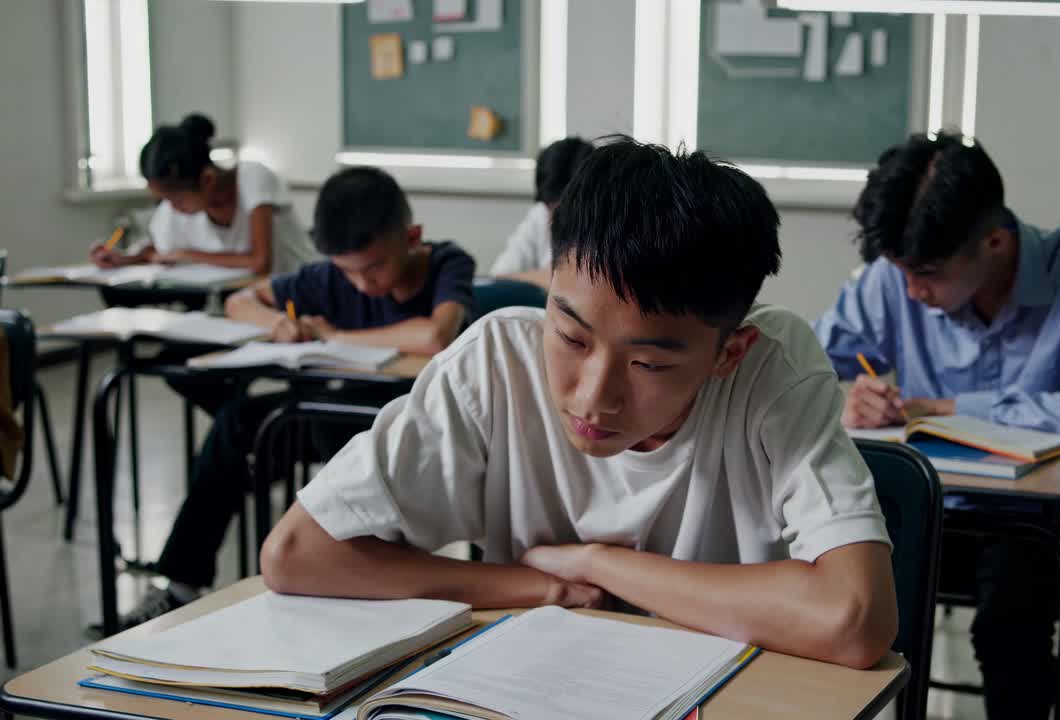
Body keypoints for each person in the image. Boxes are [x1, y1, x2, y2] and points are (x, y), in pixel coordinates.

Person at [259, 137, 898, 670]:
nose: (593, 397)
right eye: (570, 337)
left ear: (727, 353)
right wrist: (540, 587)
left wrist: (600, 563)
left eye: (648, 364)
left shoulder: (772, 372)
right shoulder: (497, 363)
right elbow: (296, 554)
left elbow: (853, 620)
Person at [813, 131, 1060, 718]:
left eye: (928, 274)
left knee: (1008, 625)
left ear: (995, 241)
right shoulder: (898, 276)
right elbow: (807, 360)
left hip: (1044, 522)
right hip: (936, 510)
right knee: (829, 593)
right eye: (901, 272)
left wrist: (951, 407)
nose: (912, 291)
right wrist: (847, 403)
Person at [99, 166, 476, 633]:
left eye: (375, 267)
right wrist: (276, 323)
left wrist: (335, 335)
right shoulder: (327, 277)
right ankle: (180, 583)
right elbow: (240, 302)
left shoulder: (446, 263)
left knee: (341, 437)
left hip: (416, 427)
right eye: (348, 272)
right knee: (239, 423)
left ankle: (376, 587)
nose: (362, 284)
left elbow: (436, 334)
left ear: (412, 237)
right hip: (333, 418)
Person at [89, 113, 314, 276]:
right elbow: (160, 251)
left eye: (176, 199)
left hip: (298, 295)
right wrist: (123, 258)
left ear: (207, 179)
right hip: (243, 300)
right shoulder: (176, 209)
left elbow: (260, 262)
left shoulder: (252, 177)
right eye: (165, 200)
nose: (172, 207)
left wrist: (188, 255)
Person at [488, 137, 593, 289]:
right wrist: (550, 276)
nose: (555, 221)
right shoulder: (540, 214)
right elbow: (498, 277)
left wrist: (552, 276)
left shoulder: (610, 224)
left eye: (566, 211)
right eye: (551, 209)